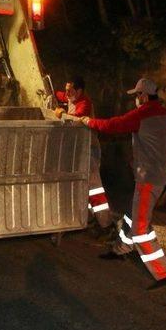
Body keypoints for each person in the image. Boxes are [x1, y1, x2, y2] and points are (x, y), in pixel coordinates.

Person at [81, 78, 166, 290]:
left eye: (137, 96)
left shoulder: (143, 114)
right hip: (155, 178)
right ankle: (121, 249)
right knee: (132, 214)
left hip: (148, 180)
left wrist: (88, 122)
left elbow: (113, 125)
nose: (136, 100)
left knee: (139, 229)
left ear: (144, 96)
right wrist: (164, 170)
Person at [54, 76, 114, 235]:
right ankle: (87, 219)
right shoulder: (71, 97)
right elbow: (57, 94)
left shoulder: (85, 103)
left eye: (70, 90)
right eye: (66, 90)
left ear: (79, 91)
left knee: (94, 188)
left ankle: (105, 224)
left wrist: (62, 113)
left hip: (88, 150)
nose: (66, 94)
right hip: (78, 150)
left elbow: (76, 119)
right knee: (82, 186)